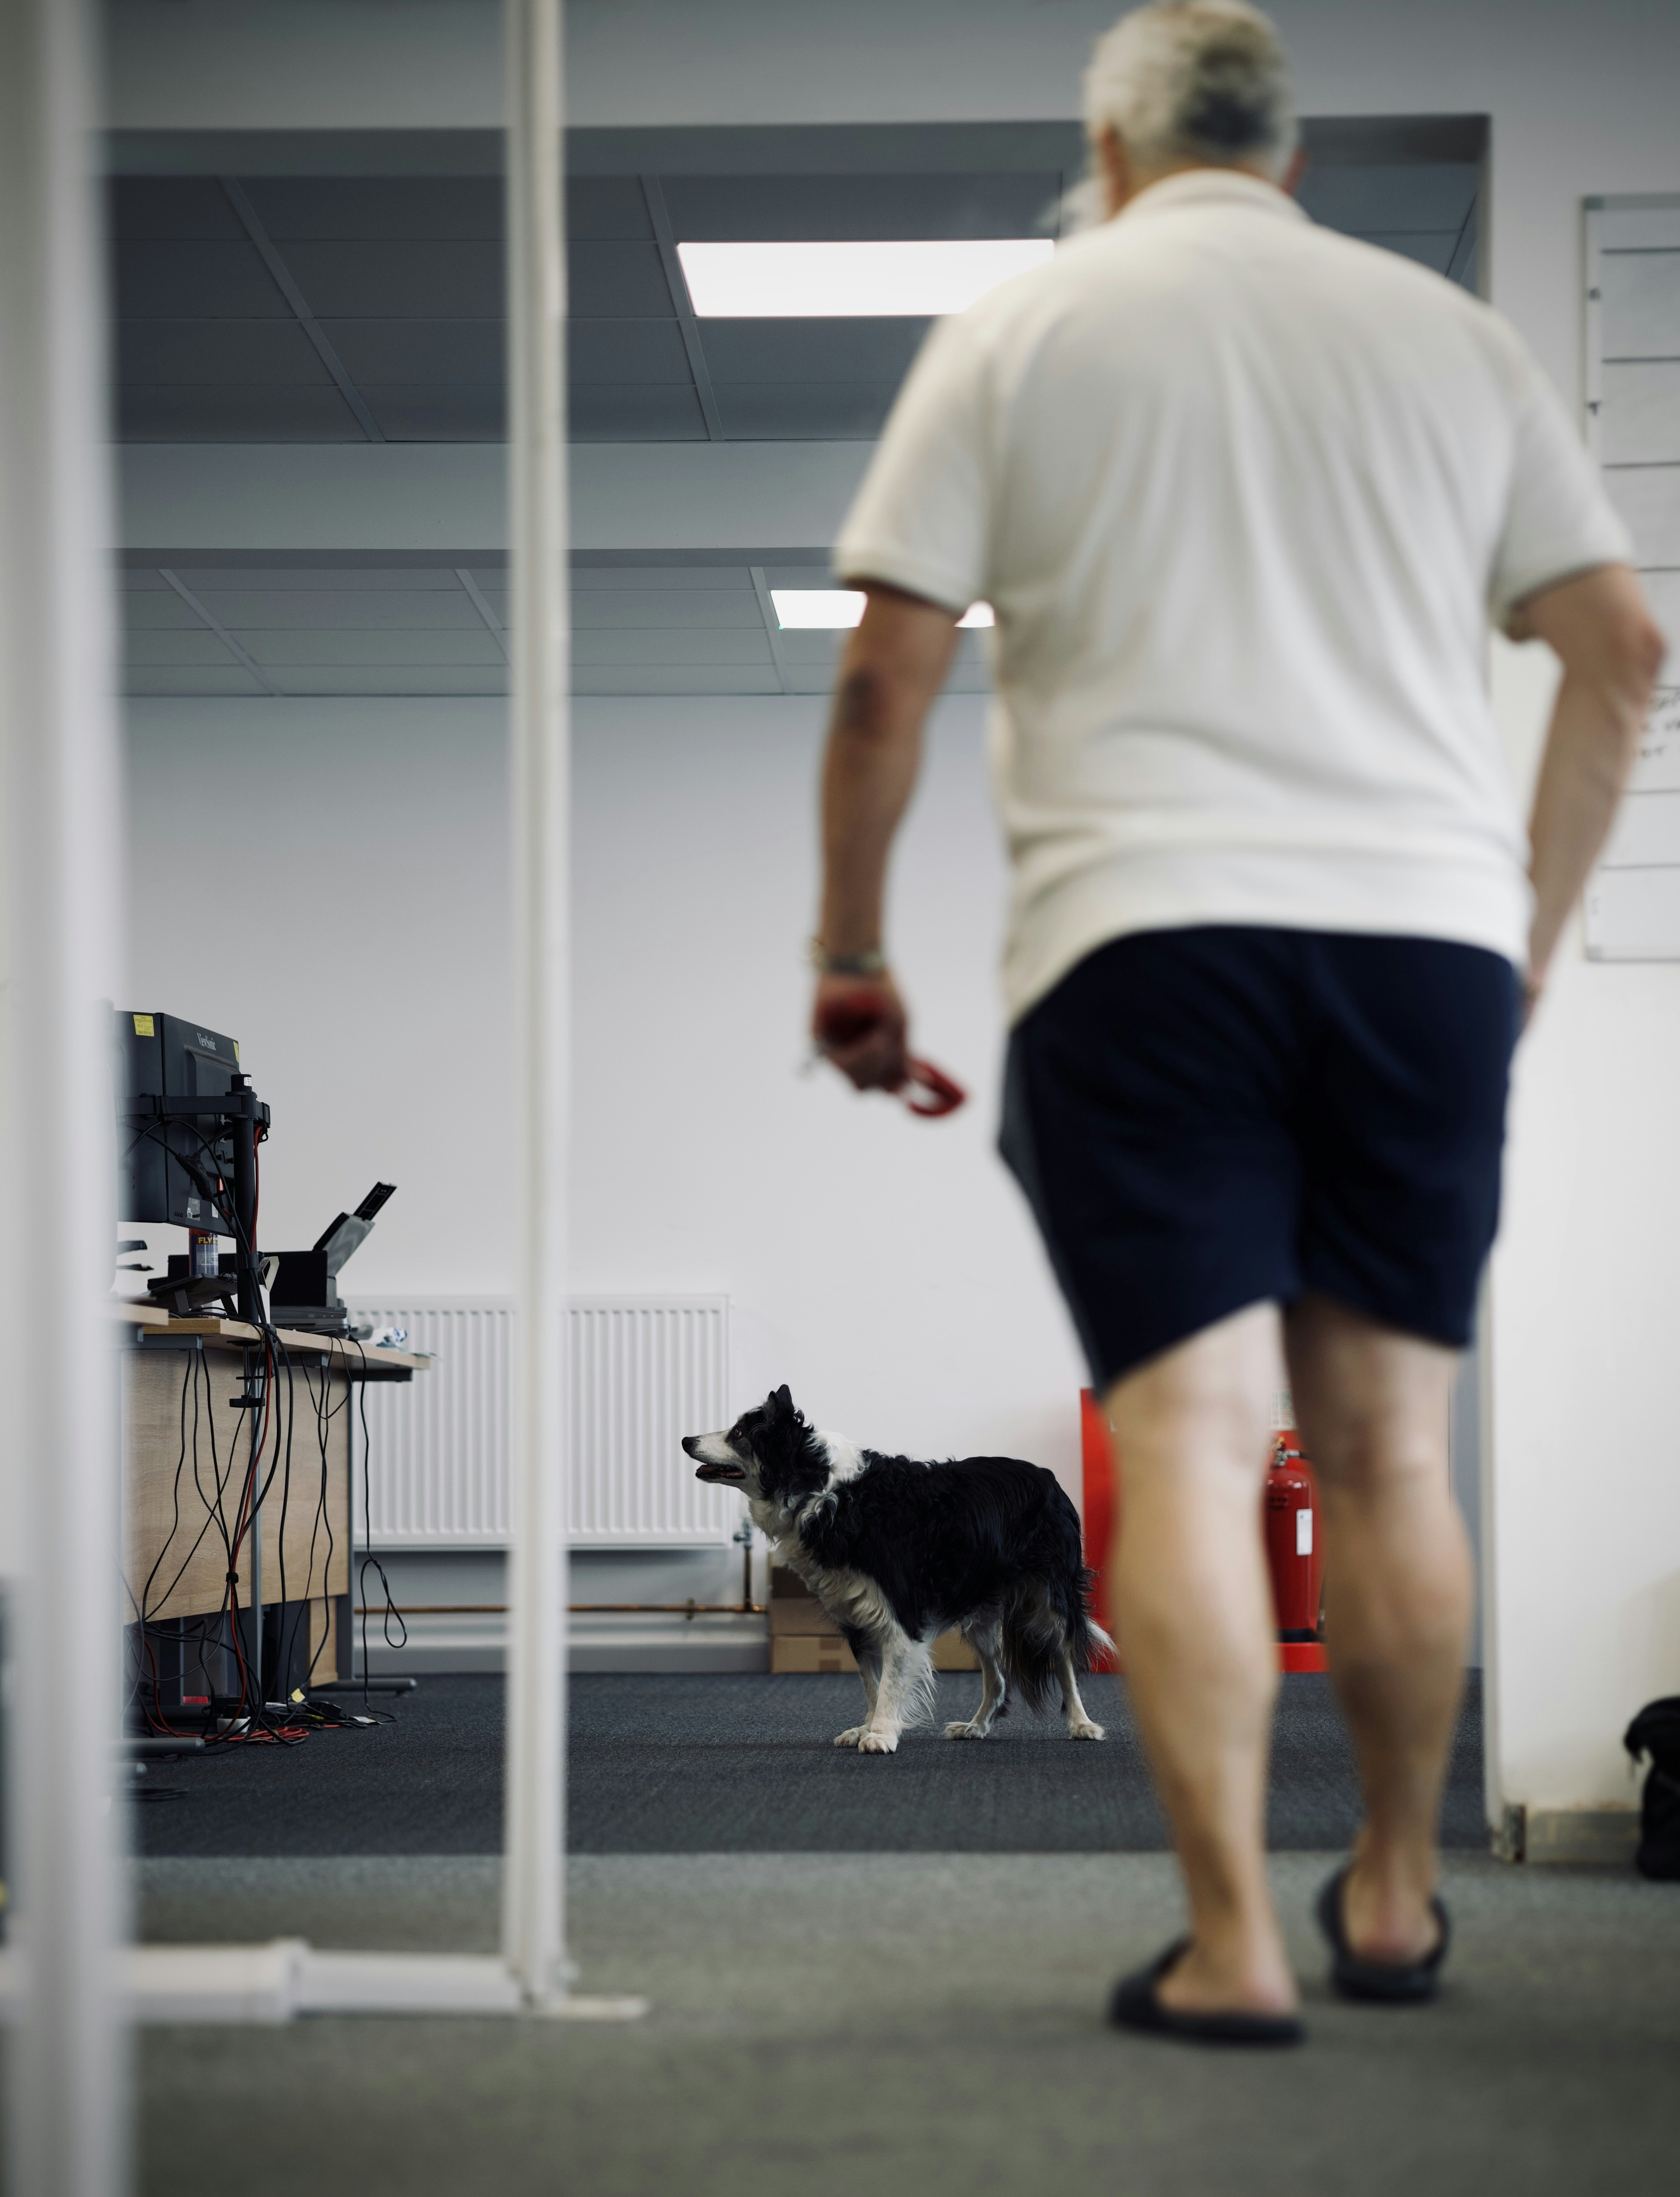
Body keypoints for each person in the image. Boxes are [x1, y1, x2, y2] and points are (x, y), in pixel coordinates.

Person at [807, 0, 1664, 2044]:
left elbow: (880, 690)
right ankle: (1385, 1896)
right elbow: (1619, 650)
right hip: (1418, 954)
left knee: (1181, 1453)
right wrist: (1518, 945)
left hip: (1141, 947)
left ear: (1107, 155)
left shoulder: (1025, 331)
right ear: (1286, 163)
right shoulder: (1451, 342)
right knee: (1382, 1453)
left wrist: (852, 957)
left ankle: (1233, 1945)